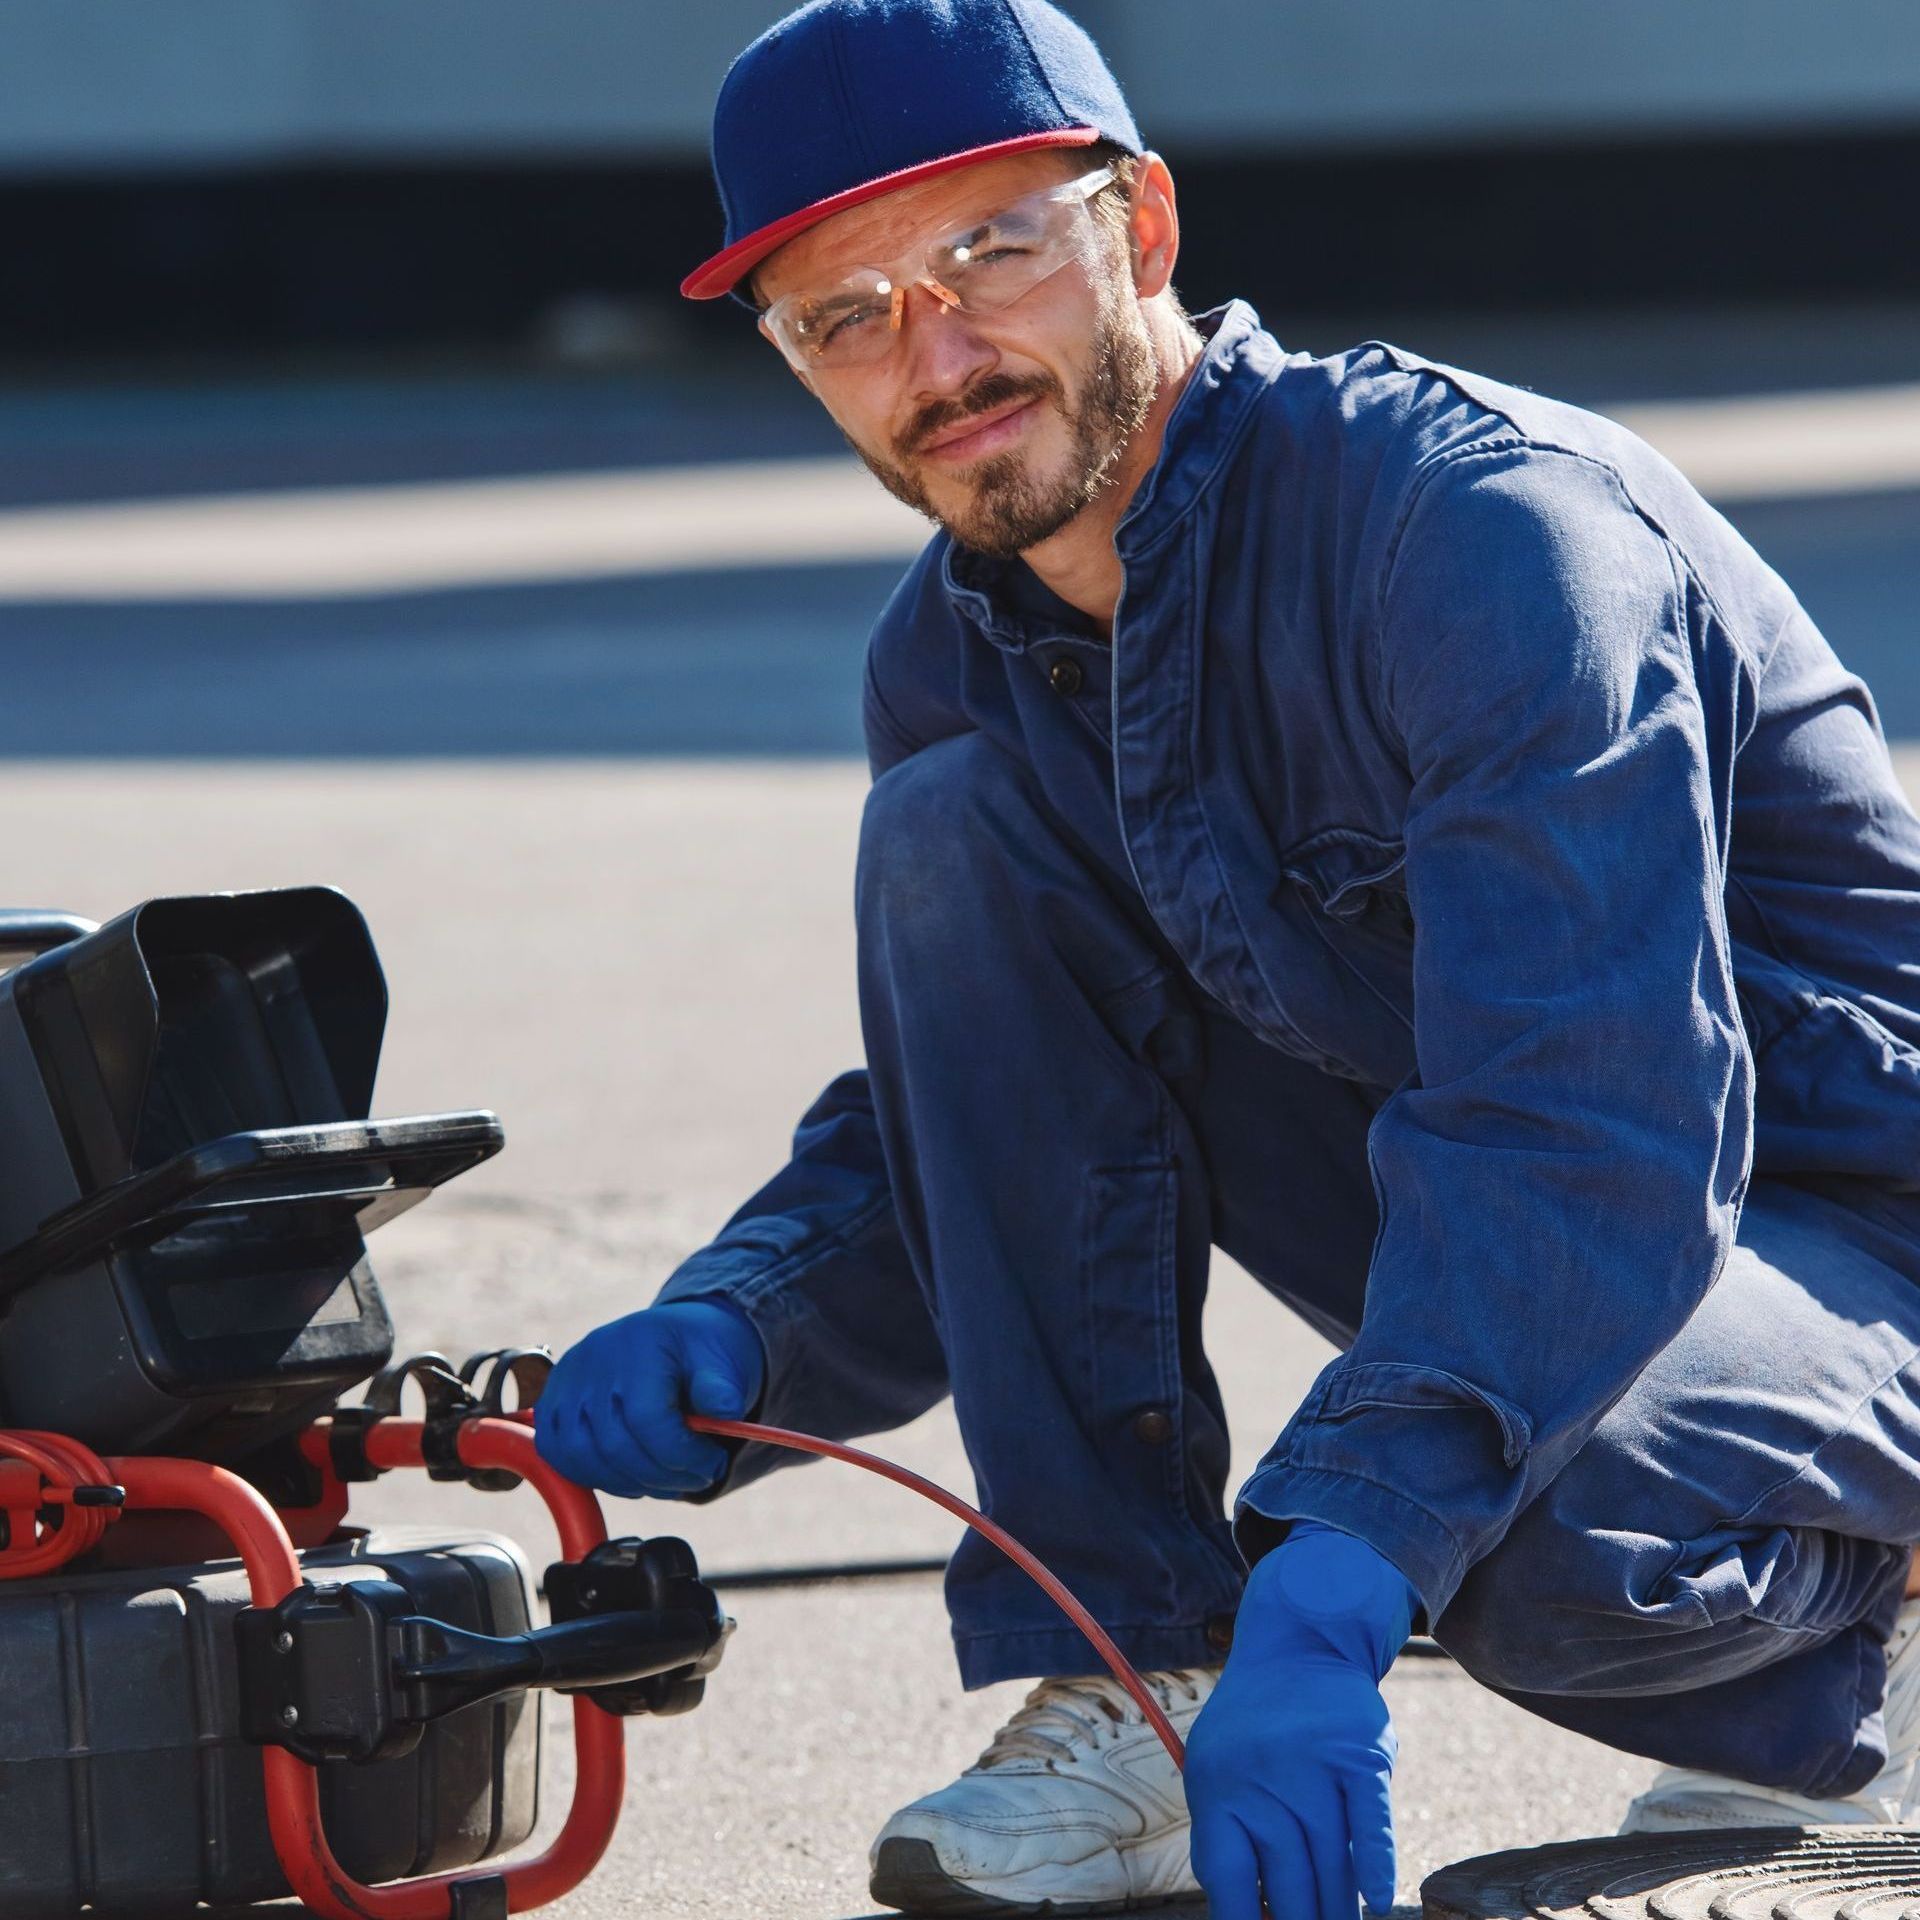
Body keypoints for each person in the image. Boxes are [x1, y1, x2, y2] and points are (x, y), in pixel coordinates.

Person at [535, 2, 1920, 1914]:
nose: (933, 357)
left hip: (1851, 1216)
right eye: (841, 318)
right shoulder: (954, 660)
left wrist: (1343, 1563)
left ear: (1146, 230)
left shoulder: (1479, 531)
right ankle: (1129, 1689)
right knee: (951, 841)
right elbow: (997, 1110)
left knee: (1523, 1539)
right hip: (1547, 1208)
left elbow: (1594, 1102)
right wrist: (745, 1320)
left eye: (987, 254)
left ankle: (1883, 1601)